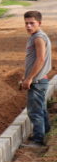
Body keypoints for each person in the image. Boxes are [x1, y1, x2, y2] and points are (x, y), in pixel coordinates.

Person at [22, 10, 52, 147]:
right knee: (41, 108)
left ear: (39, 23)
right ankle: (45, 131)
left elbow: (40, 59)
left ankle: (38, 140)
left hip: (38, 81)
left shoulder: (38, 38)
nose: (28, 26)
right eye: (26, 23)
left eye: (32, 23)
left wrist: (29, 79)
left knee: (35, 111)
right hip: (40, 80)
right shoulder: (35, 36)